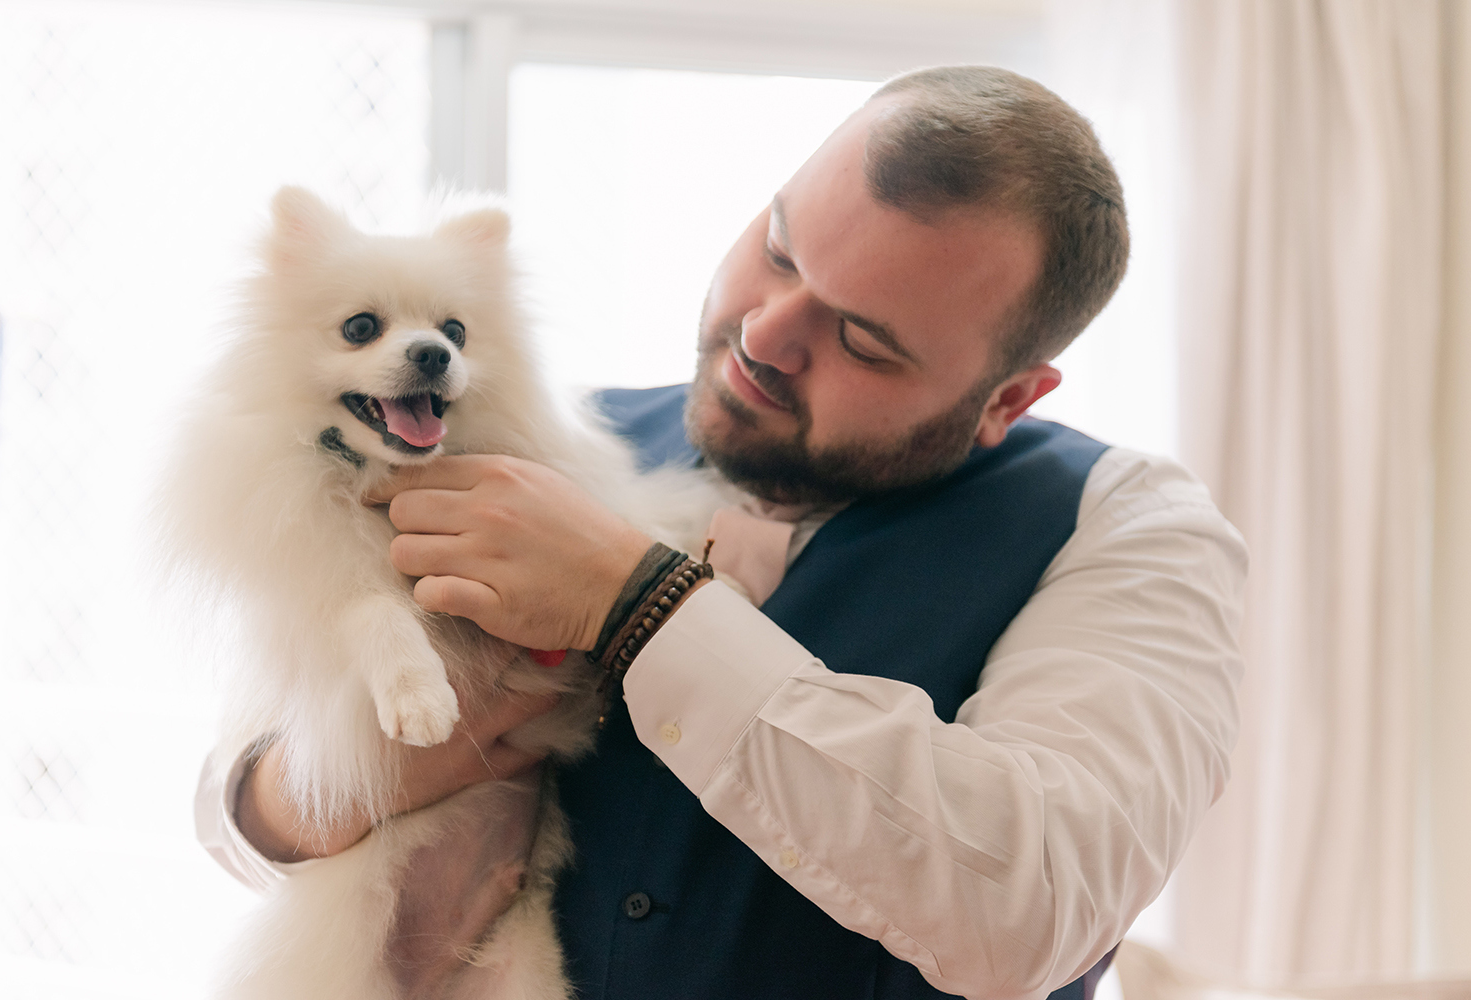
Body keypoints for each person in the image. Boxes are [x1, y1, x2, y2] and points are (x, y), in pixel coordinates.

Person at [198, 66, 1245, 1000]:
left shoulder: (1128, 532)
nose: (764, 333)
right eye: (778, 250)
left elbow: (1032, 909)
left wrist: (637, 600)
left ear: (1005, 397)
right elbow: (239, 790)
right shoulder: (553, 433)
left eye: (863, 341)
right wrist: (301, 797)